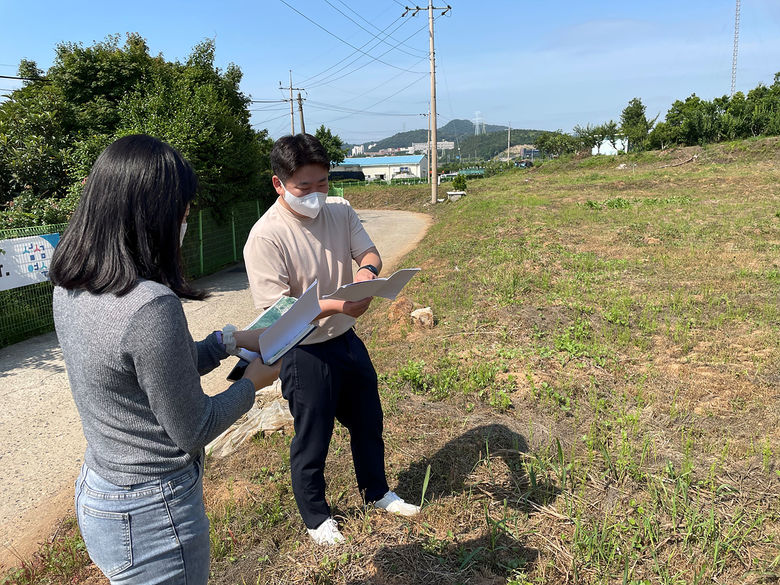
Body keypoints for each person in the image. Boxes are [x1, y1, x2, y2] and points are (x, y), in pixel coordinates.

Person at [49, 134, 280, 584]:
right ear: (152, 215)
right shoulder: (149, 305)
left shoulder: (70, 282)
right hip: (153, 511)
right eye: (183, 211)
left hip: (101, 489)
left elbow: (149, 373)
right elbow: (192, 427)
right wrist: (253, 382)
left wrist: (226, 342)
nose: (186, 220)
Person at [242, 133, 420, 546]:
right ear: (278, 183)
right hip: (302, 348)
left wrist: (367, 277)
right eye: (304, 187)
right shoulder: (265, 236)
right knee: (313, 434)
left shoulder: (339, 210)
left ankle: (377, 492)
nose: (316, 194)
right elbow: (280, 313)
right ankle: (317, 518)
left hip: (346, 339)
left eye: (322, 183)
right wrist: (339, 304)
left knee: (368, 419)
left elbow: (370, 253)